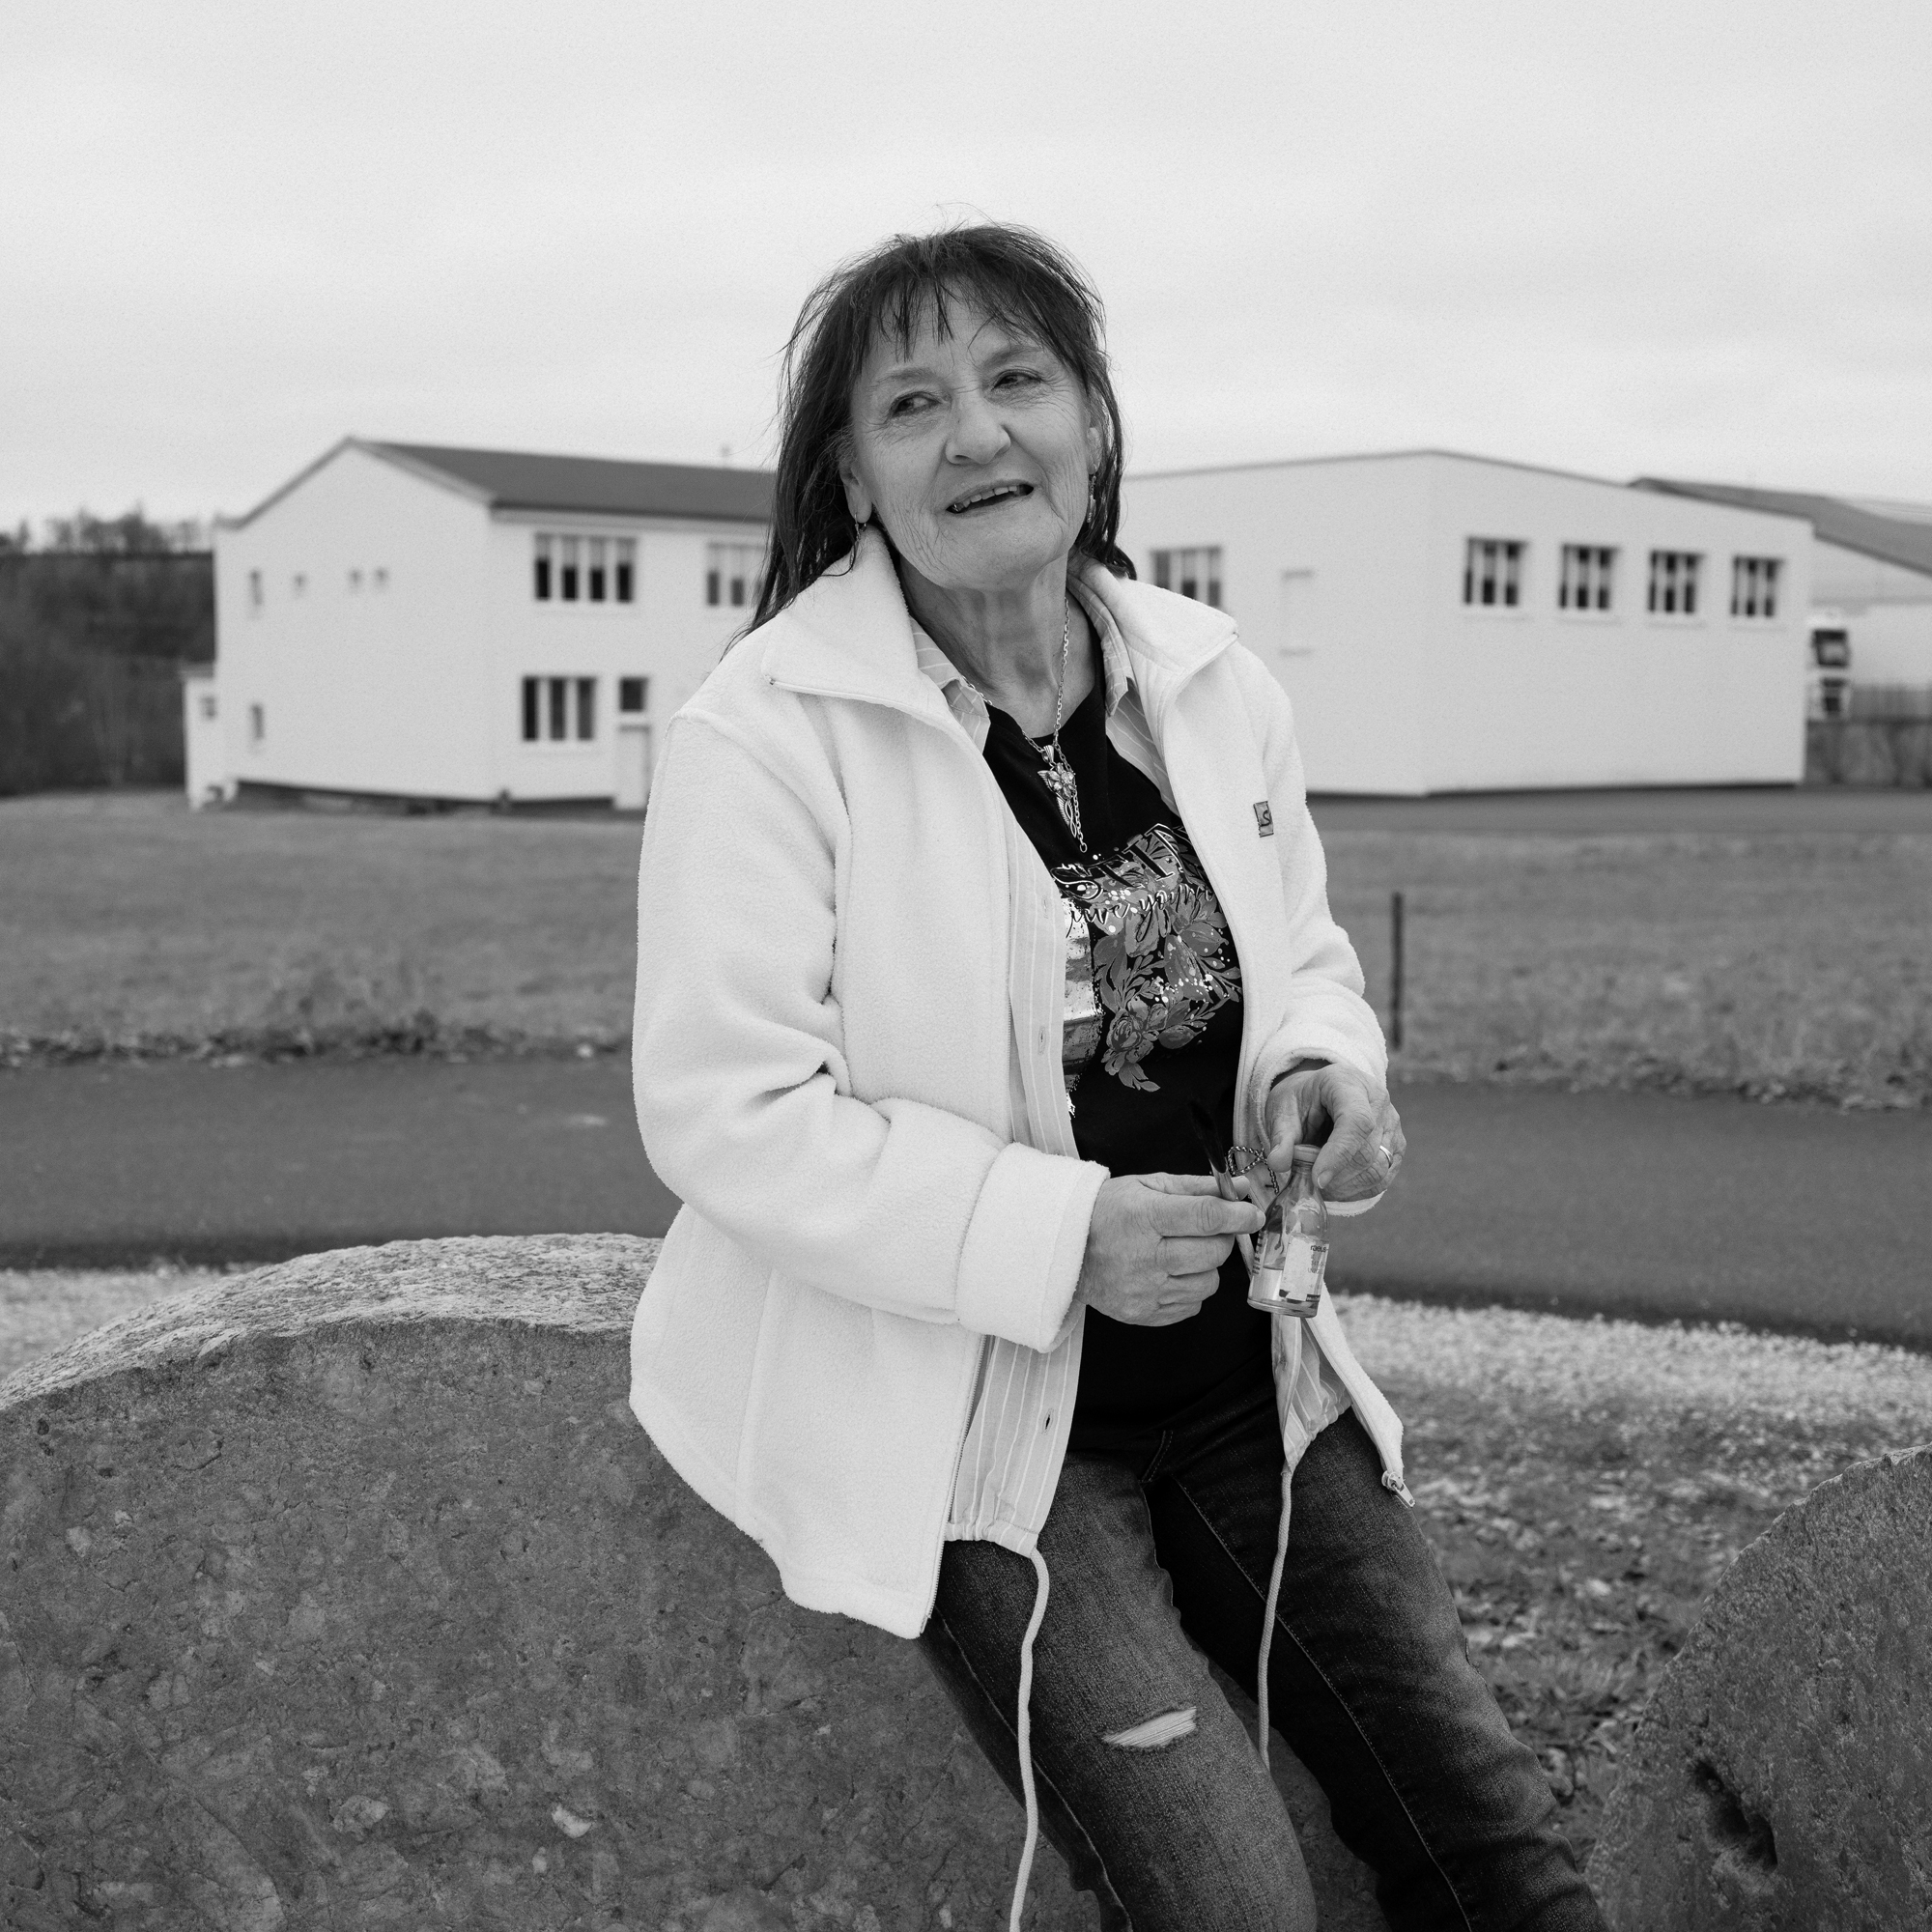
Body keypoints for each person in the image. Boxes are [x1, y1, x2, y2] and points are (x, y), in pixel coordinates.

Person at [630, 222, 1607, 1931]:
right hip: (983, 1418)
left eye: (1017, 379)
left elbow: (1302, 958)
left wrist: (1322, 1071)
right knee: (1232, 1902)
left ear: (1091, 423)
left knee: (1493, 1840)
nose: (976, 433)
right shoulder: (764, 732)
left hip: (1247, 1378)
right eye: (912, 404)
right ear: (853, 478)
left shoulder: (1208, 679)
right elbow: (728, 1110)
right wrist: (1060, 1232)